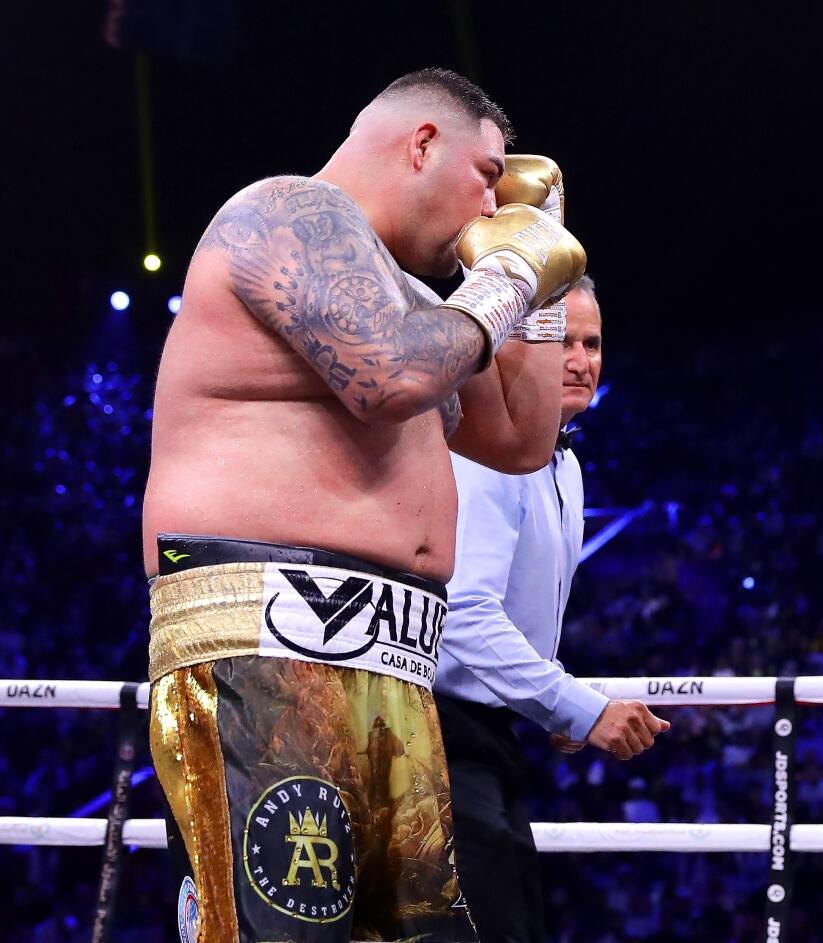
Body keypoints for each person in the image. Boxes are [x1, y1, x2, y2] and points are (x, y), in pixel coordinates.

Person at [141, 67, 587, 943]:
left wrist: (542, 276)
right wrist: (504, 275)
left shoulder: (413, 297)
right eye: (488, 173)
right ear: (423, 142)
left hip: (392, 672)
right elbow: (389, 377)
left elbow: (520, 439)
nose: (491, 201)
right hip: (265, 656)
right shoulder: (285, 213)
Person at [435, 275, 670, 942]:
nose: (581, 359)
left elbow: (518, 607)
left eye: (592, 342)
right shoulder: (484, 453)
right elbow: (464, 614)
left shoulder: (562, 462)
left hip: (492, 737)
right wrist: (577, 707)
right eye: (562, 340)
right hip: (438, 734)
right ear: (512, 348)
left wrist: (552, 697)